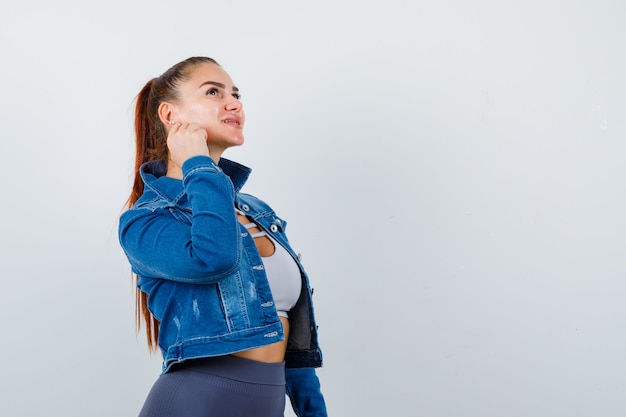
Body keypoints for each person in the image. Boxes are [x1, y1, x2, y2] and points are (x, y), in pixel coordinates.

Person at [118, 56, 327, 417]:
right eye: (213, 92)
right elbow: (213, 259)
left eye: (236, 93)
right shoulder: (145, 221)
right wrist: (198, 164)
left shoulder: (258, 212)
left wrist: (314, 410)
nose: (234, 103)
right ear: (170, 116)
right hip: (194, 403)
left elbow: (293, 343)